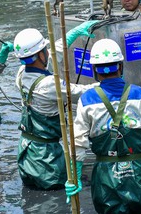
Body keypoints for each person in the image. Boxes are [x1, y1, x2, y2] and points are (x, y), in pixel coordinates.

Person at [65, 39, 141, 213]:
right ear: (120, 66)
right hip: (139, 170)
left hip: (105, 175)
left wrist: (75, 176)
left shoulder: (87, 100)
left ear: (96, 71)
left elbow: (78, 143)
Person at [13, 21, 98, 190]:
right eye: (45, 49)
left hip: (26, 151)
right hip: (46, 158)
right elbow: (79, 92)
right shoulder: (49, 84)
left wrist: (74, 33)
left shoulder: (22, 73)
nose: (48, 51)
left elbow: (54, 51)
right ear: (39, 55)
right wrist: (108, 83)